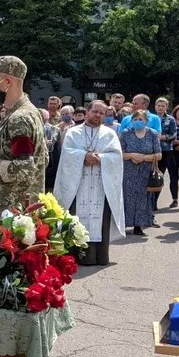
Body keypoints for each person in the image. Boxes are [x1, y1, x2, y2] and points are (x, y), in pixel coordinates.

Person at [54, 100, 125, 265]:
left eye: (102, 113)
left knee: (100, 220)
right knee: (77, 218)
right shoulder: (73, 132)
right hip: (79, 185)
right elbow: (67, 154)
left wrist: (100, 158)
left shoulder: (109, 134)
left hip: (101, 185)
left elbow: (116, 157)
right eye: (95, 112)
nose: (98, 115)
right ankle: (76, 257)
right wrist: (83, 156)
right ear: (87, 112)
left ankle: (100, 256)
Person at [0, 56, 48, 219]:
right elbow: (43, 159)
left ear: (7, 82)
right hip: (21, 210)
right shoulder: (30, 111)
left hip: (12, 213)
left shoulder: (19, 118)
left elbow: (25, 168)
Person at [119, 110, 162, 235]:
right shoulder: (126, 133)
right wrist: (131, 155)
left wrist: (143, 158)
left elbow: (159, 155)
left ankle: (139, 225)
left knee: (143, 198)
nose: (138, 122)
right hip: (129, 170)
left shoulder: (153, 134)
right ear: (132, 121)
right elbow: (119, 153)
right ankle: (125, 224)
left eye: (141, 120)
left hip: (146, 171)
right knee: (128, 197)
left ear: (146, 121)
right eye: (135, 120)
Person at [155, 97, 177, 209]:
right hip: (154, 151)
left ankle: (175, 199)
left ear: (166, 107)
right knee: (156, 177)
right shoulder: (151, 118)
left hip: (167, 150)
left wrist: (164, 137)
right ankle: (153, 202)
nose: (160, 108)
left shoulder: (171, 119)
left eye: (163, 106)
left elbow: (174, 134)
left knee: (171, 176)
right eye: (158, 105)